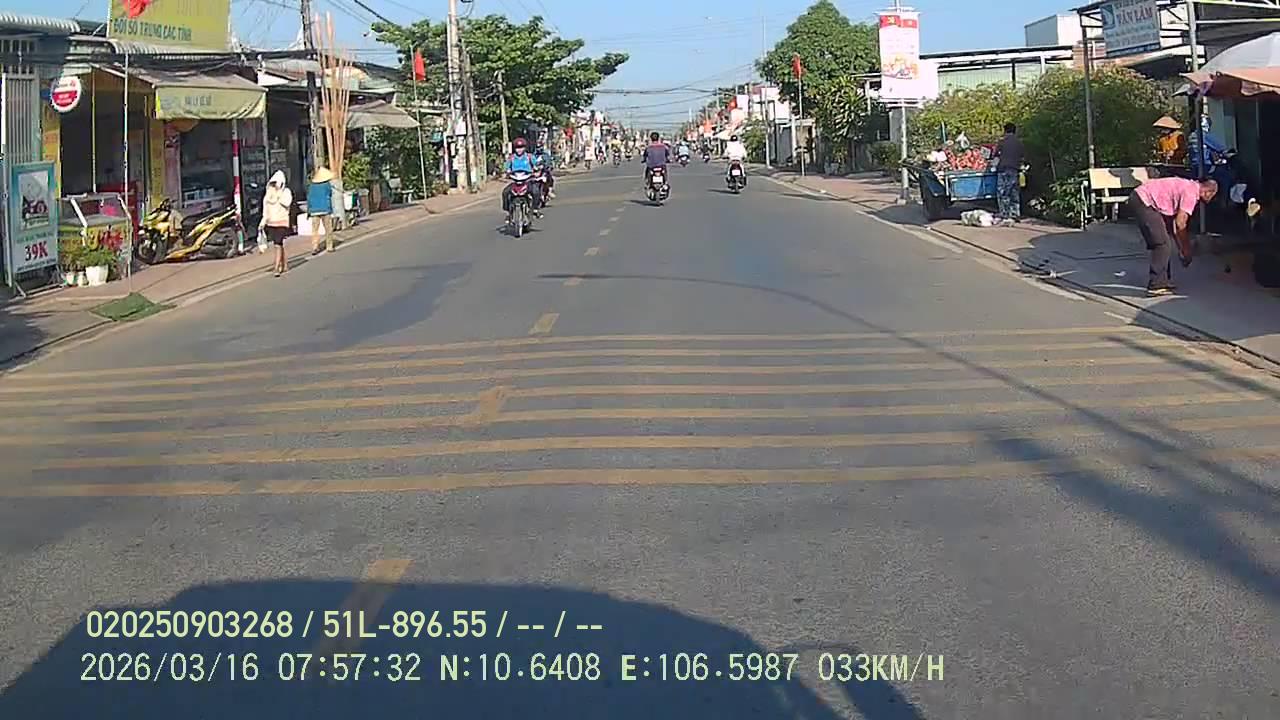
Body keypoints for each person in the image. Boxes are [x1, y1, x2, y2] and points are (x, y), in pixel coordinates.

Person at [1128, 176, 1218, 296]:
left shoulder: (1190, 186)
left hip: (1142, 199)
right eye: (1212, 196)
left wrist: (1182, 250)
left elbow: (1175, 227)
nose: (1211, 199)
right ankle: (1156, 285)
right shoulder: (1191, 193)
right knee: (1162, 244)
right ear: (1208, 192)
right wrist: (1186, 250)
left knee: (1165, 240)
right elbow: (1180, 223)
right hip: (1143, 201)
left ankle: (1163, 280)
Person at [259, 170, 293, 277]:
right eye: (273, 184)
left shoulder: (286, 192)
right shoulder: (268, 194)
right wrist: (263, 221)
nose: (274, 186)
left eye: (276, 183)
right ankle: (284, 264)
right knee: (278, 244)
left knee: (277, 244)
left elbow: (287, 203)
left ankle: (277, 267)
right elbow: (265, 209)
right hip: (271, 222)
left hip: (282, 222)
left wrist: (279, 194)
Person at [992, 122, 1025, 223]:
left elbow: (996, 156)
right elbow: (1022, 156)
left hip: (1003, 169)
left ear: (1005, 131)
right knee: (1014, 191)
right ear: (1015, 131)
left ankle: (1004, 213)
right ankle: (1015, 214)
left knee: (1003, 192)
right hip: (1014, 169)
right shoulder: (1019, 143)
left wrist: (993, 165)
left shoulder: (1002, 142)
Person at [503, 137, 542, 217]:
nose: (519, 150)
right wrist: (506, 172)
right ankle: (508, 212)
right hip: (515, 180)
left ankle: (535, 208)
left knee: (536, 191)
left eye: (521, 147)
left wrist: (537, 171)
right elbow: (506, 167)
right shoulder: (511, 158)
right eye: (517, 148)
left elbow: (537, 165)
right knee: (505, 192)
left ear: (524, 148)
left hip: (527, 180)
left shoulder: (529, 157)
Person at [306, 166, 335, 255]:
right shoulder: (326, 185)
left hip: (314, 210)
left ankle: (315, 247)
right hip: (325, 208)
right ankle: (329, 246)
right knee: (328, 229)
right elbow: (330, 193)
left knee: (315, 230)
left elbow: (309, 198)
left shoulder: (311, 186)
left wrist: (309, 210)